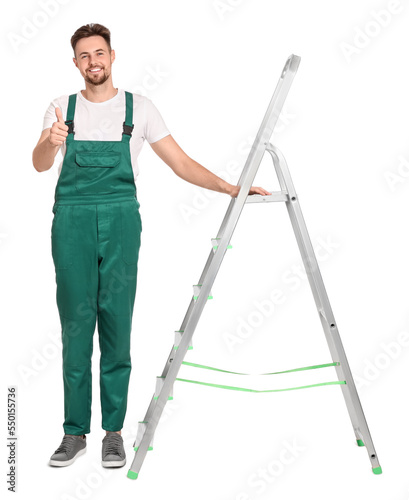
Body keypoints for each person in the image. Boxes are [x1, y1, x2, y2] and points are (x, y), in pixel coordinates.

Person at [32, 23, 270, 469]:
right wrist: (50, 140)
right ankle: (73, 433)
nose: (93, 62)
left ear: (112, 55)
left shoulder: (139, 108)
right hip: (72, 221)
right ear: (75, 63)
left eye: (99, 53)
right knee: (76, 326)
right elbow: (40, 164)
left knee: (117, 323)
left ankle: (113, 433)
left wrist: (231, 188)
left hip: (122, 220)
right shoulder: (60, 109)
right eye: (84, 56)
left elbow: (179, 163)